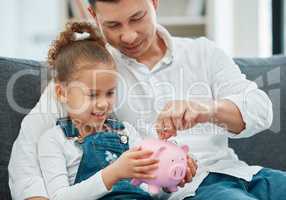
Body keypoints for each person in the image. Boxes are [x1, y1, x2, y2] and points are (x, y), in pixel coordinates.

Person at [8, 0, 286, 200]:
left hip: (242, 173)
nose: (127, 35)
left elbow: (262, 111)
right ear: (93, 15)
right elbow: (28, 149)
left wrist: (205, 110)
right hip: (191, 191)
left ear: (155, 2)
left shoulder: (203, 52)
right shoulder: (94, 70)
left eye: (137, 17)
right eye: (113, 25)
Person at [37, 21, 161, 200]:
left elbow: (149, 187)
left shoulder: (126, 132)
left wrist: (168, 177)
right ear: (62, 93)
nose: (103, 104)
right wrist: (113, 173)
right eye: (93, 95)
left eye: (110, 93)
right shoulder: (54, 140)